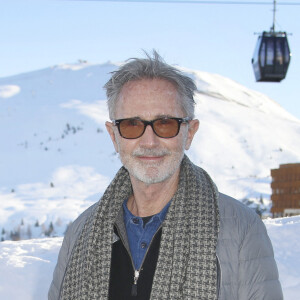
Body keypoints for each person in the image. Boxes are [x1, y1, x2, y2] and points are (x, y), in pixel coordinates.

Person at [49, 51, 283, 300]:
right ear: (113, 136)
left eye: (165, 123)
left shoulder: (239, 228)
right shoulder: (81, 233)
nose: (149, 142)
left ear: (189, 133)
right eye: (132, 125)